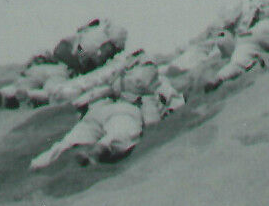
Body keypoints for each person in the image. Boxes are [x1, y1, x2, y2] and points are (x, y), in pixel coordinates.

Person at [29, 51, 182, 169]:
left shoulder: (117, 72)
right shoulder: (157, 80)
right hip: (126, 110)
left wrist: (84, 102)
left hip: (99, 108)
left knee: (70, 140)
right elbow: (164, 106)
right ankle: (100, 149)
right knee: (121, 133)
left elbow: (94, 90)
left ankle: (39, 163)